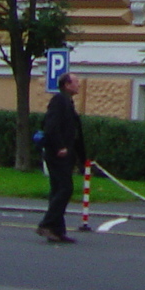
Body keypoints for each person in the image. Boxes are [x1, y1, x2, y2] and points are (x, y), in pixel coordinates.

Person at [37, 72, 85, 244]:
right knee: (65, 188)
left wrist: (81, 158)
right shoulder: (59, 101)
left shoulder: (68, 102)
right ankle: (47, 224)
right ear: (67, 84)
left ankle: (57, 230)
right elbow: (51, 126)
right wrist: (60, 147)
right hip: (58, 154)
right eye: (76, 82)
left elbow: (74, 133)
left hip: (65, 154)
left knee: (58, 190)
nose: (78, 84)